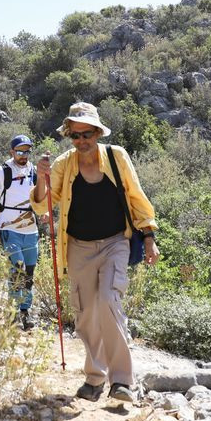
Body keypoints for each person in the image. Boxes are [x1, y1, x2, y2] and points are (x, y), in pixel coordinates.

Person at [31, 102, 159, 403]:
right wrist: (41, 177)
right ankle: (94, 378)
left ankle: (122, 381)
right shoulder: (64, 164)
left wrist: (150, 235)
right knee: (86, 314)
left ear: (98, 133)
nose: (81, 141)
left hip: (116, 242)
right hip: (77, 246)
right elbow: (42, 204)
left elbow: (136, 196)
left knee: (108, 303)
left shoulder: (117, 157)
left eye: (86, 134)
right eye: (75, 136)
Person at [0, 134, 41, 330]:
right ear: (11, 152)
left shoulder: (34, 171)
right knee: (18, 268)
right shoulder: (2, 171)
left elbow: (40, 198)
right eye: (19, 151)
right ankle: (14, 312)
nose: (23, 155)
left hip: (31, 229)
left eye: (26, 151)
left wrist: (46, 212)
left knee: (29, 273)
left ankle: (25, 312)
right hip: (8, 227)